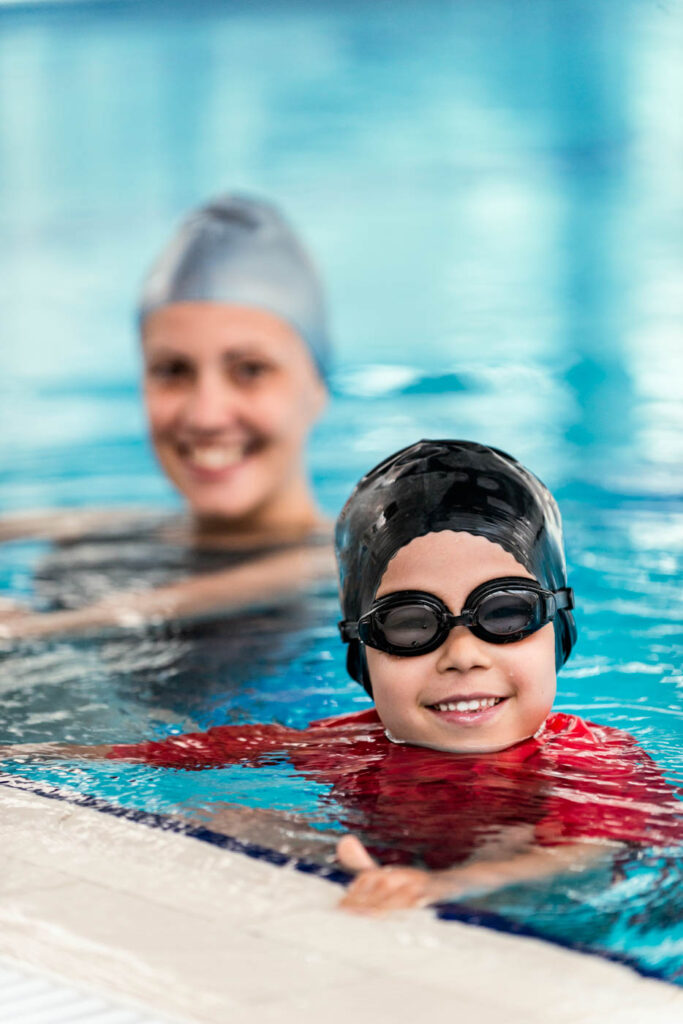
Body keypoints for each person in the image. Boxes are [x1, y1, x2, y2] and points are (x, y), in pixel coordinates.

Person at [4, 441, 680, 913]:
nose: (463, 654)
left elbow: (587, 855)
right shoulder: (349, 745)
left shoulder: (591, 759)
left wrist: (448, 888)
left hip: (556, 913)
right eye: (411, 626)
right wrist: (43, 758)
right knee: (225, 817)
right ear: (361, 655)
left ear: (558, 629)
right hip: (395, 876)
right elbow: (202, 752)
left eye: (504, 614)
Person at [0, 195, 334, 643]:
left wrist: (36, 630)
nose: (206, 415)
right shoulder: (121, 536)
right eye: (173, 371)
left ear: (317, 390)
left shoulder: (360, 560)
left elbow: (300, 572)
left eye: (250, 370)